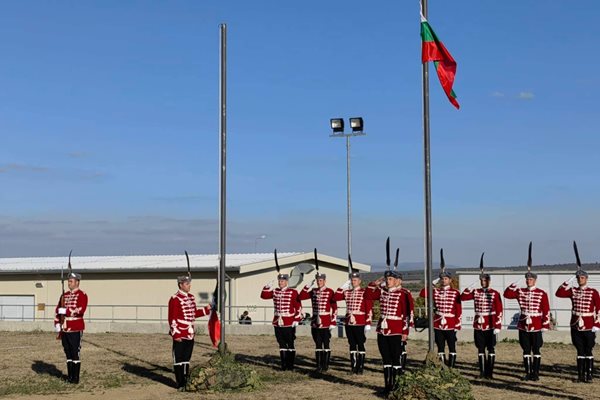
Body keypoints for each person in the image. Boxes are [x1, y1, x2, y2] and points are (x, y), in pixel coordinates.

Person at [365, 270, 414, 394]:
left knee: (395, 358)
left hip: (396, 329)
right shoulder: (383, 292)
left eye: (391, 279)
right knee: (386, 359)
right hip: (382, 329)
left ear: (398, 281)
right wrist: (374, 284)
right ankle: (387, 386)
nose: (388, 281)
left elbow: (408, 314)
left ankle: (396, 387)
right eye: (387, 279)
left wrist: (405, 331)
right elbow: (367, 296)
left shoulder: (404, 294)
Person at [504, 272, 550, 381]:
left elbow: (546, 309)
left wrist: (545, 324)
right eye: (527, 279)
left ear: (535, 280)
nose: (528, 281)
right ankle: (528, 373)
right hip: (523, 325)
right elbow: (507, 294)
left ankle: (536, 373)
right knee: (526, 350)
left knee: (536, 350)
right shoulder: (520, 292)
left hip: (536, 325)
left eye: (530, 279)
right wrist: (514, 284)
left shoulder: (541, 293)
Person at [168, 275, 211, 391]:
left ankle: (186, 381)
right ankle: (180, 383)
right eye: (187, 284)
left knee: (187, 358)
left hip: (190, 333)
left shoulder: (191, 298)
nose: (189, 286)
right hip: (180, 332)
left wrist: (206, 309)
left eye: (189, 284)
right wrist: (175, 334)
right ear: (181, 285)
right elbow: (172, 318)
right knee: (178, 359)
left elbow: (193, 314)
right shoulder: (175, 299)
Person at [556, 269, 600, 383]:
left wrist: (597, 324)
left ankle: (589, 375)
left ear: (586, 279)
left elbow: (599, 309)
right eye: (578, 278)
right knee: (580, 350)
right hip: (575, 325)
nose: (580, 280)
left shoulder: (593, 292)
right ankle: (581, 375)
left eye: (582, 278)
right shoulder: (573, 290)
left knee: (588, 350)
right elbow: (559, 293)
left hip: (589, 325)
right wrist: (568, 281)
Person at [460, 272, 503, 379]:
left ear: (489, 281)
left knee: (491, 349)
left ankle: (490, 373)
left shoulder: (494, 293)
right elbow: (463, 298)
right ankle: (482, 372)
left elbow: (499, 310)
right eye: (482, 281)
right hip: (479, 324)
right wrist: (468, 289)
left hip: (490, 324)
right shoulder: (476, 292)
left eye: (485, 280)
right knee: (480, 348)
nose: (483, 282)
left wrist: (497, 326)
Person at [419, 271, 462, 368]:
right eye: (442, 279)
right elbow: (422, 294)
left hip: (450, 323)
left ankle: (451, 368)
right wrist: (432, 283)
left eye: (446, 279)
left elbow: (458, 310)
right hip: (438, 323)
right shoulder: (436, 291)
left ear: (450, 280)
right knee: (440, 347)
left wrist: (457, 324)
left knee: (452, 347)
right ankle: (443, 367)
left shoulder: (455, 292)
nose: (443, 280)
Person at [260, 272, 302, 371]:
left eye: (282, 281)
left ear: (286, 282)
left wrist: (297, 319)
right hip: (278, 321)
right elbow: (264, 296)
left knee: (290, 343)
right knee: (281, 343)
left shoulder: (293, 292)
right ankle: (284, 366)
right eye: (279, 281)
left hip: (289, 321)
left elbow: (298, 306)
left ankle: (290, 365)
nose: (280, 282)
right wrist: (266, 287)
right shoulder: (275, 291)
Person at [334, 271, 373, 374]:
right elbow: (335, 297)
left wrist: (368, 322)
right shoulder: (347, 292)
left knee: (360, 344)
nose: (353, 282)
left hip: (360, 322)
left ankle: (360, 367)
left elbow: (369, 308)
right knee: (351, 344)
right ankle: (353, 366)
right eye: (352, 280)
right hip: (349, 322)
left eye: (355, 280)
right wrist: (342, 287)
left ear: (359, 281)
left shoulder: (364, 292)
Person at [299, 272, 338, 373]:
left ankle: (325, 365)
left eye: (320, 280)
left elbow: (334, 307)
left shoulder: (330, 291)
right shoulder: (313, 291)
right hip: (315, 321)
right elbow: (301, 296)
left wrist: (333, 321)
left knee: (326, 344)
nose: (318, 282)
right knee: (318, 344)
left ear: (325, 281)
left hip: (325, 322)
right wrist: (307, 286)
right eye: (317, 280)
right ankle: (318, 365)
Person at [54, 272, 88, 384]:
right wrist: (57, 324)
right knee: (67, 352)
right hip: (65, 328)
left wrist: (67, 311)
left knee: (75, 352)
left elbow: (81, 310)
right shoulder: (64, 295)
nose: (69, 283)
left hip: (75, 328)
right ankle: (70, 377)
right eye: (68, 281)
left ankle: (76, 378)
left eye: (71, 281)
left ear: (77, 282)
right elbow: (57, 310)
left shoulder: (82, 295)